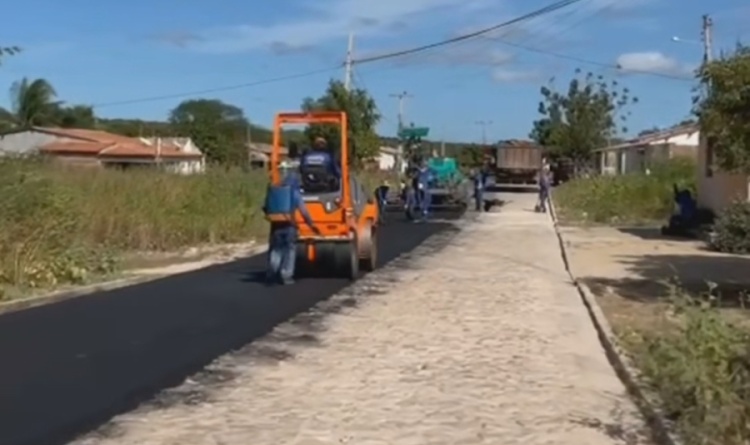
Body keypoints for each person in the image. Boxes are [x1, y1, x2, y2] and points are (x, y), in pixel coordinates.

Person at [263, 161, 320, 285]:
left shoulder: (274, 190)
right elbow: (304, 211)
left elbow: (265, 207)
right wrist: (311, 225)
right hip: (290, 226)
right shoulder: (294, 193)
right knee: (290, 250)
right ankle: (286, 275)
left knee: (276, 250)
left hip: (276, 226)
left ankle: (272, 272)